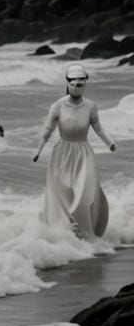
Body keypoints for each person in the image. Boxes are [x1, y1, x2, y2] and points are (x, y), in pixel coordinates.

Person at [34, 63, 116, 239]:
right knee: (64, 192)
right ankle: (68, 230)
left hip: (84, 152)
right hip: (62, 153)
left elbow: (98, 128)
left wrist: (109, 143)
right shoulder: (58, 106)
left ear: (85, 84)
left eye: (81, 84)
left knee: (87, 189)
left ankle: (87, 231)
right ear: (68, 83)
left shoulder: (90, 106)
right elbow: (47, 130)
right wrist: (39, 150)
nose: (77, 87)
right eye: (74, 84)